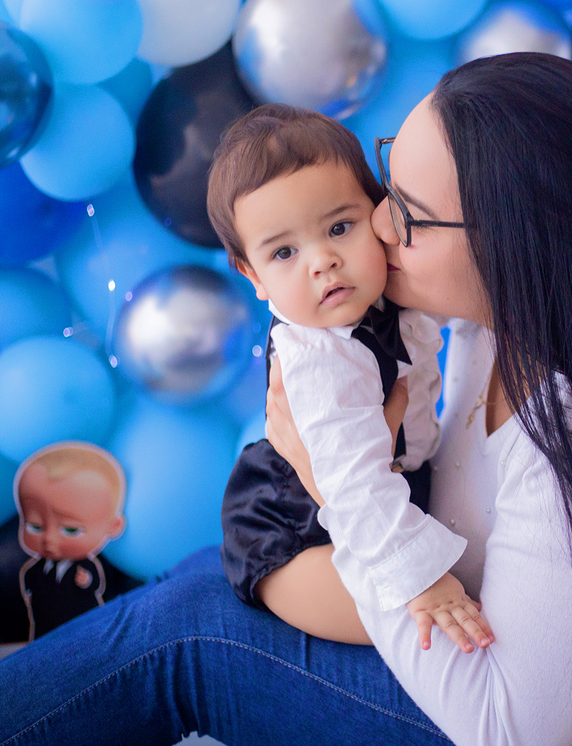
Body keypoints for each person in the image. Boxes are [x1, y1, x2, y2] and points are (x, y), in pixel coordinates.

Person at [0, 53, 572, 745]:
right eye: (385, 183)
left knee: (191, 628)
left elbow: (511, 728)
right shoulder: (492, 327)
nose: (376, 226)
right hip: (525, 677)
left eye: (407, 213)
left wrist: (333, 486)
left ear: (519, 241)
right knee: (213, 578)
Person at [208, 103, 491, 652]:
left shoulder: (387, 292)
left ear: (379, 214)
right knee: (428, 632)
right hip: (297, 530)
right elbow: (354, 486)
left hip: (390, 493)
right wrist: (423, 579)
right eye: (284, 252)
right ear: (253, 275)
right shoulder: (319, 358)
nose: (322, 261)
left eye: (340, 228)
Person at [15, 441, 128, 641]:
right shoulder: (36, 568)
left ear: (113, 526)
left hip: (82, 632)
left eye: (70, 530)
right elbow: (31, 581)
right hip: (44, 628)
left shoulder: (85, 568)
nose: (49, 539)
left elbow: (95, 583)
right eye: (35, 526)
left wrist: (87, 581)